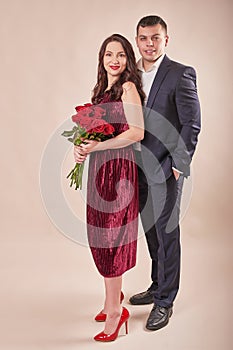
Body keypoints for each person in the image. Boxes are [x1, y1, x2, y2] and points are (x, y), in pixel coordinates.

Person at [129, 15, 201, 331]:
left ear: (165, 40)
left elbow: (191, 124)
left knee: (166, 232)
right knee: (149, 229)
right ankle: (157, 284)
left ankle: (165, 301)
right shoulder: (130, 74)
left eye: (155, 37)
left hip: (165, 168)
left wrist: (177, 166)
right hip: (136, 166)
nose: (149, 43)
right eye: (144, 38)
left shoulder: (180, 73)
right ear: (137, 40)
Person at [74, 34, 144, 342]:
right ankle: (110, 300)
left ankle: (116, 311)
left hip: (119, 170)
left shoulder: (128, 88)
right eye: (108, 55)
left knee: (112, 236)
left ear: (128, 60)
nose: (114, 60)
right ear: (102, 60)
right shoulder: (102, 90)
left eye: (120, 55)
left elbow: (137, 132)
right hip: (99, 171)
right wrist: (83, 148)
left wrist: (102, 146)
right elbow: (96, 133)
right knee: (100, 233)